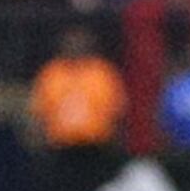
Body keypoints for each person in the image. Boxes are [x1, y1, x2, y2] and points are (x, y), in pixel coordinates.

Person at [28, 20, 125, 149]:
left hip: (97, 147)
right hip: (59, 146)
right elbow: (38, 113)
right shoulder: (50, 74)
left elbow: (118, 113)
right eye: (71, 42)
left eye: (79, 42)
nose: (75, 46)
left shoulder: (104, 73)